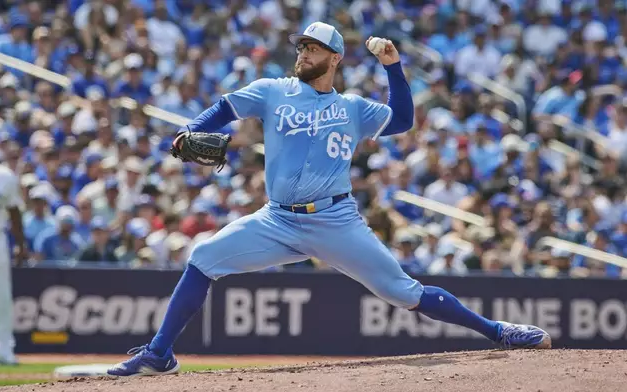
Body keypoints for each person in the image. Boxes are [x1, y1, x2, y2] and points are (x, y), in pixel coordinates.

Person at [108, 22, 551, 377]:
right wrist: (191, 127)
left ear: (334, 58)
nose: (303, 54)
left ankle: (498, 331)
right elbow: (224, 107)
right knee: (203, 256)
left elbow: (401, 119)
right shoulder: (273, 90)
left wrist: (394, 67)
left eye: (313, 49)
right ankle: (158, 354)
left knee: (403, 292)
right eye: (301, 47)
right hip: (277, 219)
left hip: (334, 219)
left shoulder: (354, 107)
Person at [0, 140, 26, 365]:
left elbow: (15, 211)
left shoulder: (4, 177)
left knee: (2, 298)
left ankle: (5, 351)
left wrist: (20, 244)